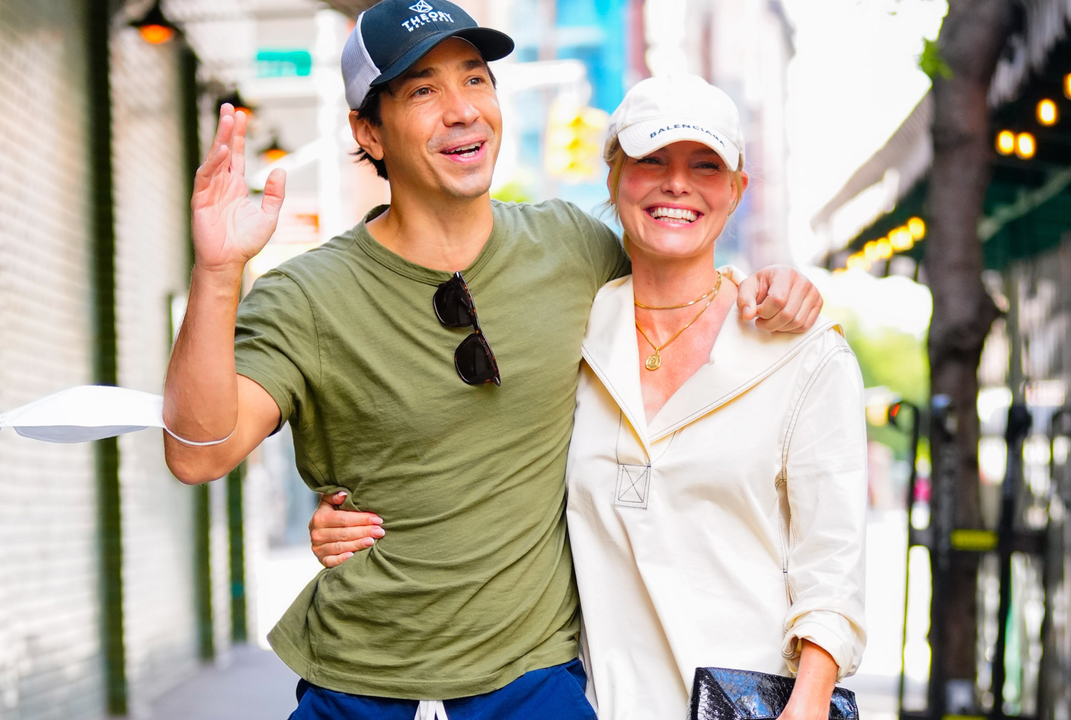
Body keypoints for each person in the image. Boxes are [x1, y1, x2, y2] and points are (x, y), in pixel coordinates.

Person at [165, 0, 823, 715]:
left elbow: (684, 307)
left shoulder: (575, 248)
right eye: (422, 89)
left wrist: (767, 292)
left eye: (476, 80)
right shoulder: (307, 295)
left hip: (533, 677)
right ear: (367, 131)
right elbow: (199, 452)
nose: (462, 110)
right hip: (359, 677)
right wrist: (219, 273)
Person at [313, 73, 868, 720]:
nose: (677, 183)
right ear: (613, 179)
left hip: (754, 703)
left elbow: (834, 564)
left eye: (706, 166)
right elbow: (472, 459)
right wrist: (354, 517)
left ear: (737, 191)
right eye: (651, 160)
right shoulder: (569, 330)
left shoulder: (804, 353)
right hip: (592, 701)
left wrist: (809, 702)